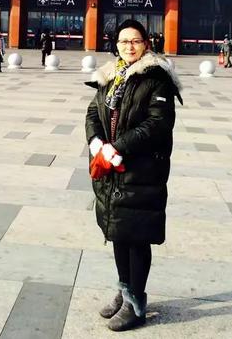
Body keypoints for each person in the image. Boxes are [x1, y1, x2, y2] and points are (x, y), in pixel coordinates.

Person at [85, 19, 182, 332]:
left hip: (140, 170)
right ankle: (124, 289)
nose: (129, 46)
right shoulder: (111, 75)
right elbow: (93, 112)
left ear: (146, 44)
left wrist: (118, 147)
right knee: (118, 231)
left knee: (136, 236)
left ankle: (136, 302)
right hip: (111, 169)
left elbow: (157, 124)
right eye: (124, 41)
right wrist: (97, 143)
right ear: (116, 45)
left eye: (135, 41)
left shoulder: (157, 79)